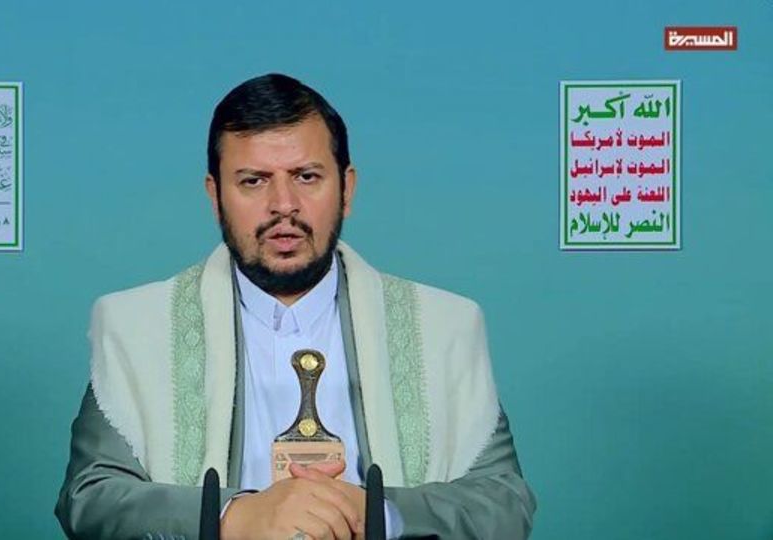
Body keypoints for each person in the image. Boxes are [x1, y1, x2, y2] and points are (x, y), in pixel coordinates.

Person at [55, 73, 536, 539]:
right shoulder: (138, 326)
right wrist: (233, 516)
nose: (283, 204)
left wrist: (377, 513)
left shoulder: (443, 326)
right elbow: (90, 498)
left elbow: (504, 503)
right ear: (215, 196)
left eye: (306, 177)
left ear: (346, 189)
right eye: (253, 181)